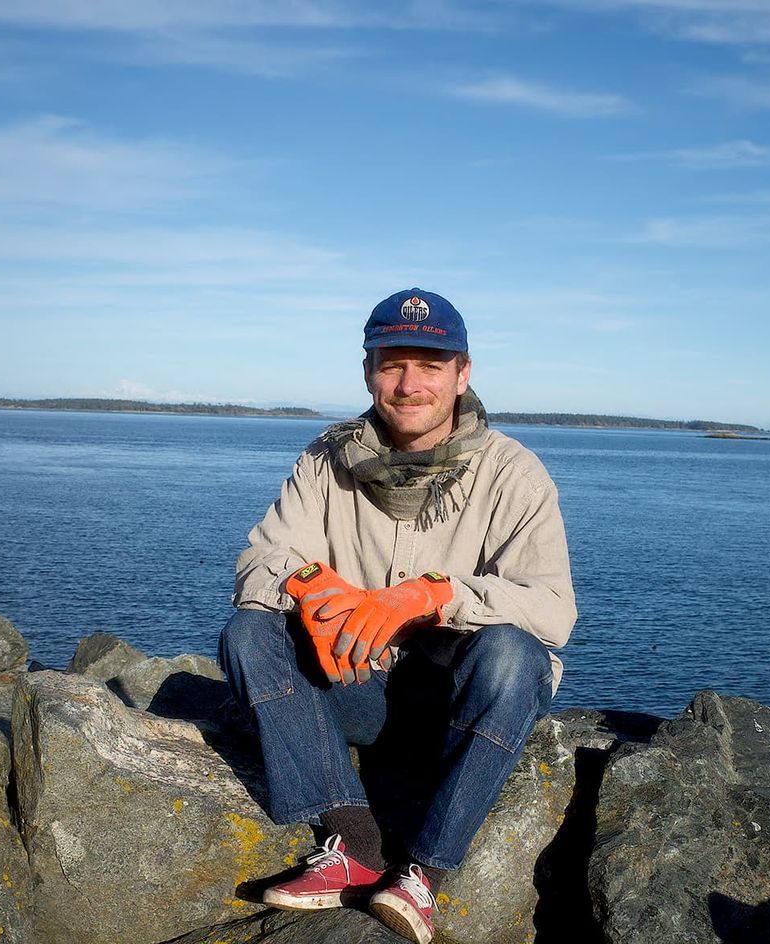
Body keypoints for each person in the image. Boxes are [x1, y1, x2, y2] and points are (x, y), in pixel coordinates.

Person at [219, 288, 576, 944]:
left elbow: (554, 611)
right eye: (392, 364)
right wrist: (308, 585)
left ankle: (423, 875)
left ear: (462, 374)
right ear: (367, 370)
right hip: (364, 684)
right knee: (249, 632)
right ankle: (351, 845)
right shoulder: (326, 459)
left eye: (431, 365)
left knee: (514, 653)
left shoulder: (514, 474)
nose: (409, 384)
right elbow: (260, 559)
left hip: (463, 704)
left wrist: (436, 594)